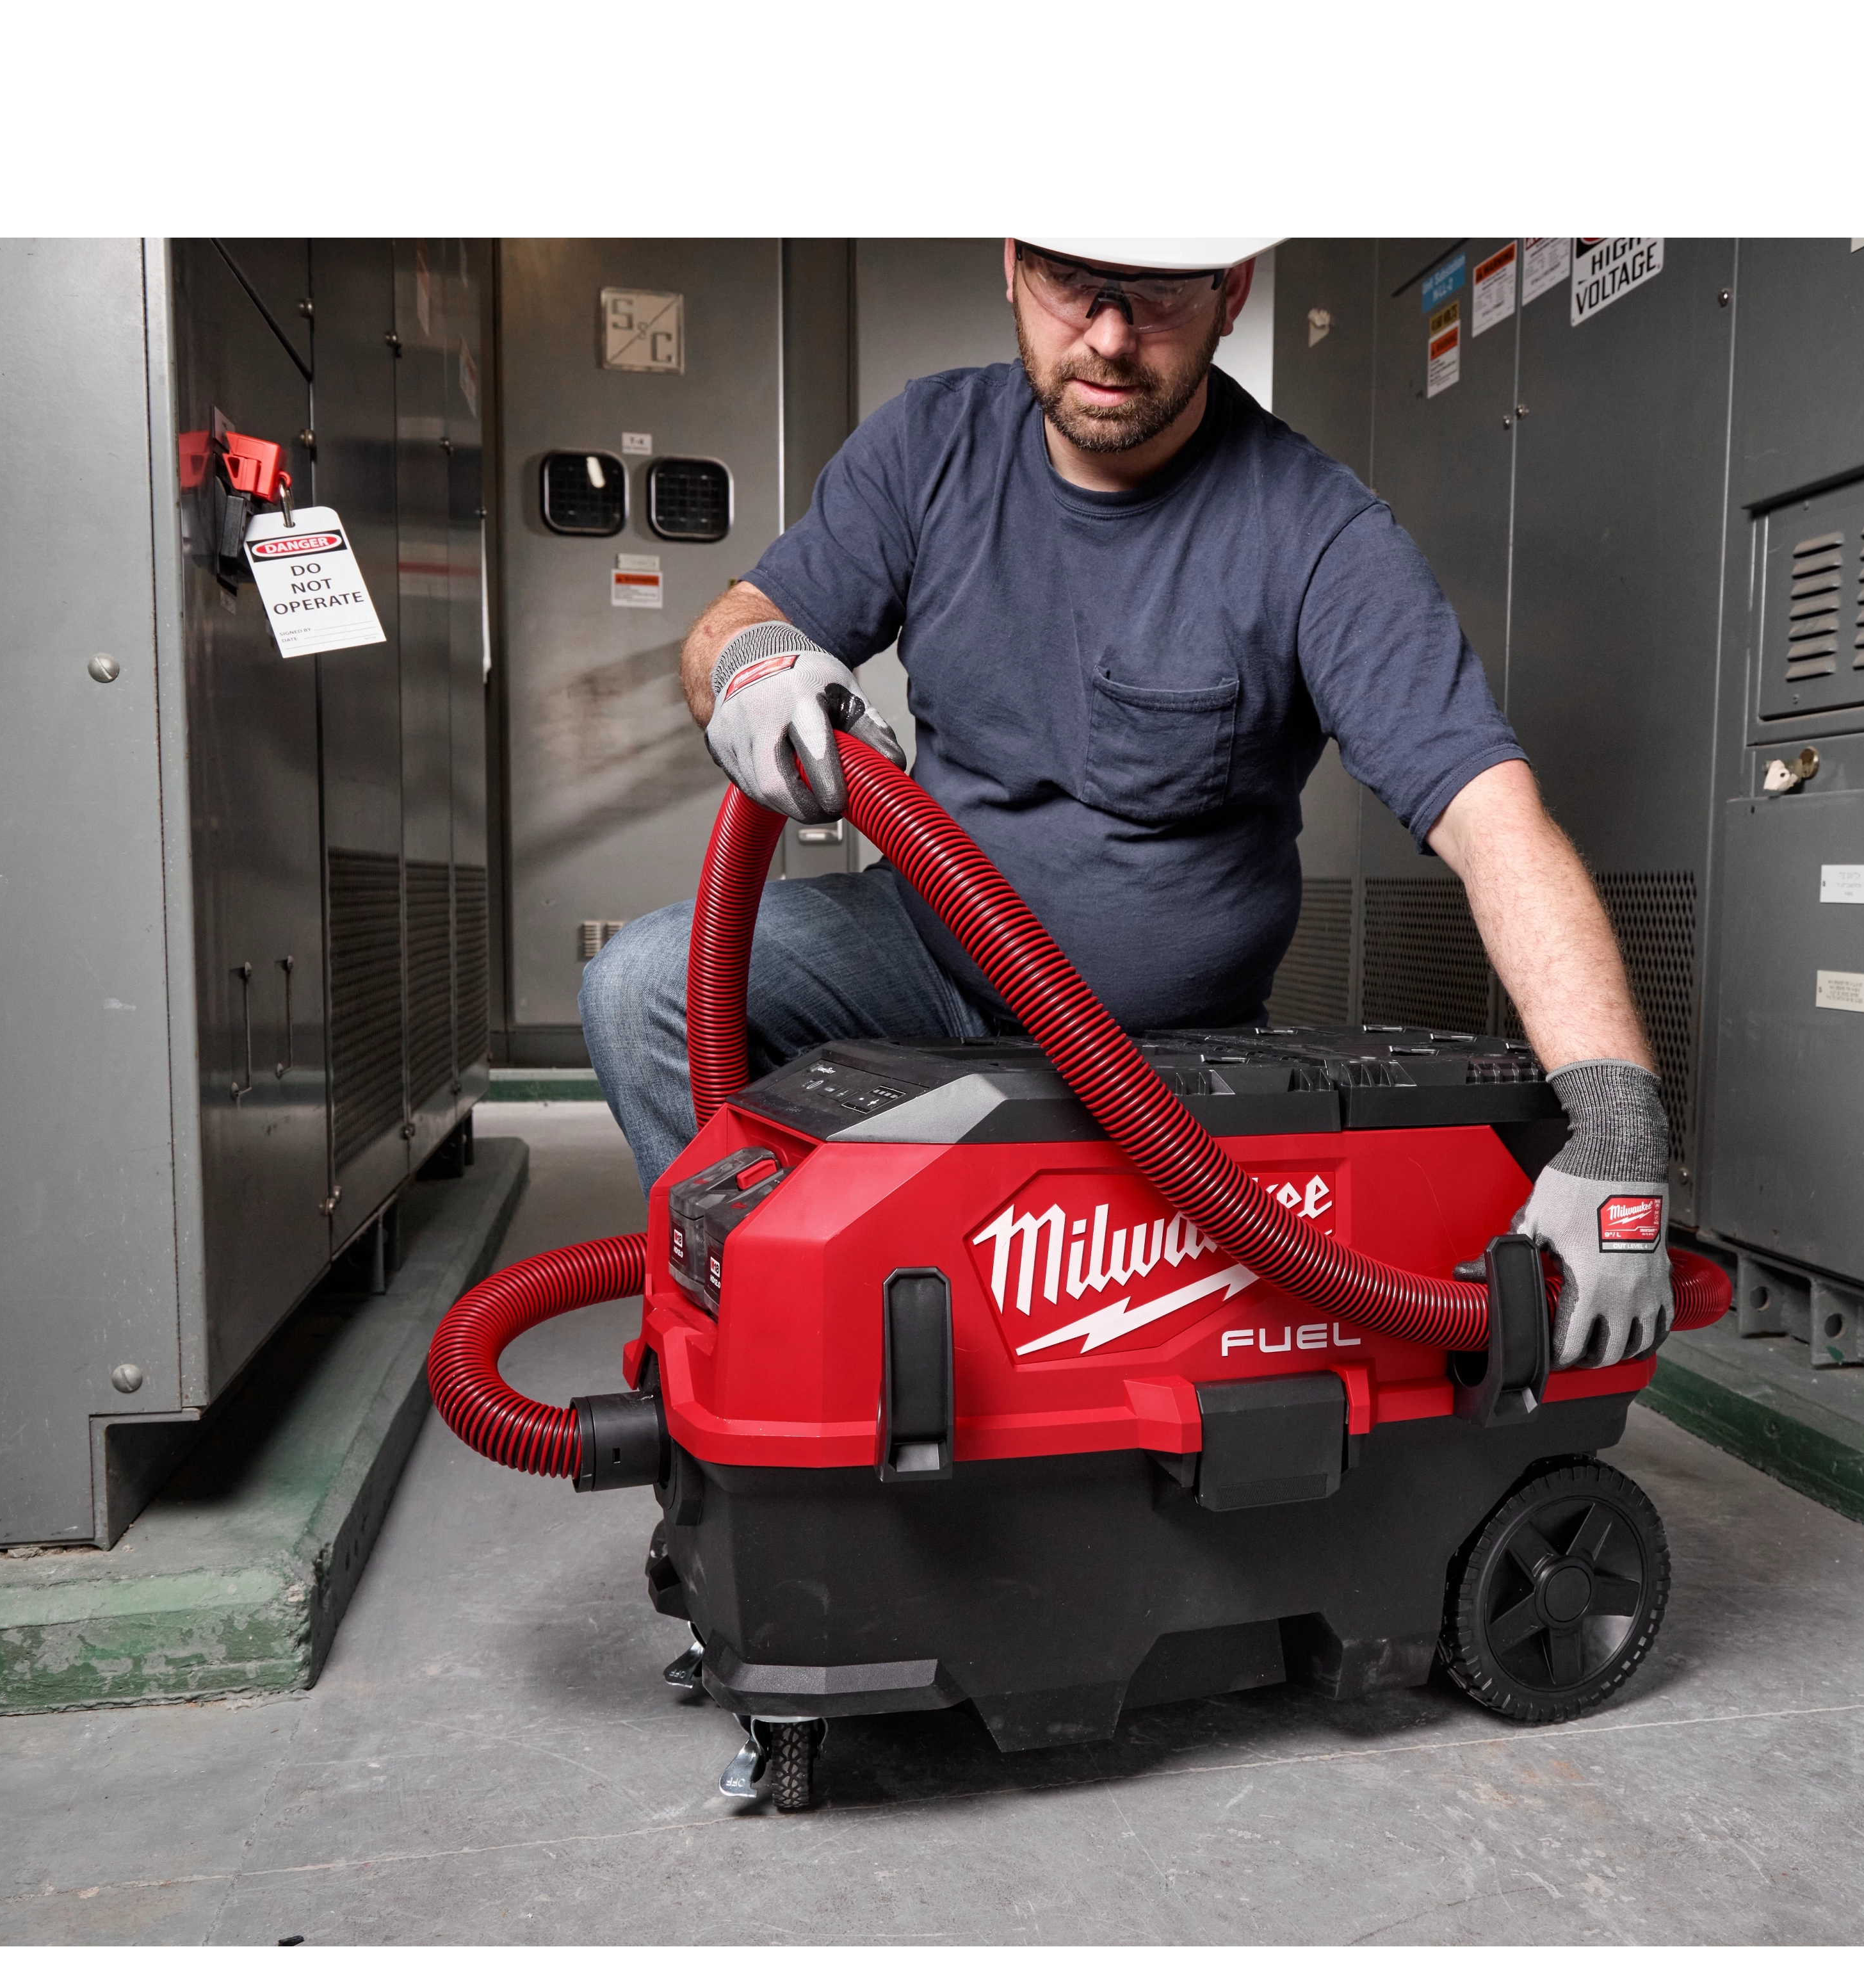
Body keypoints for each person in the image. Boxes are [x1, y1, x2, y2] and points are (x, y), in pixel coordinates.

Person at [581, 238, 1673, 1365]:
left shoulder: (1318, 536)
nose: (1107, 335)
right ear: (1011, 265)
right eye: (1071, 282)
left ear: (1230, 292)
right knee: (645, 990)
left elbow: (1496, 822)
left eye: (1153, 295)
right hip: (925, 964)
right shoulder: (928, 447)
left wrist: (1618, 1128)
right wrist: (755, 662)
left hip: (1161, 1054)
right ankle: (773, 1348)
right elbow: (737, 616)